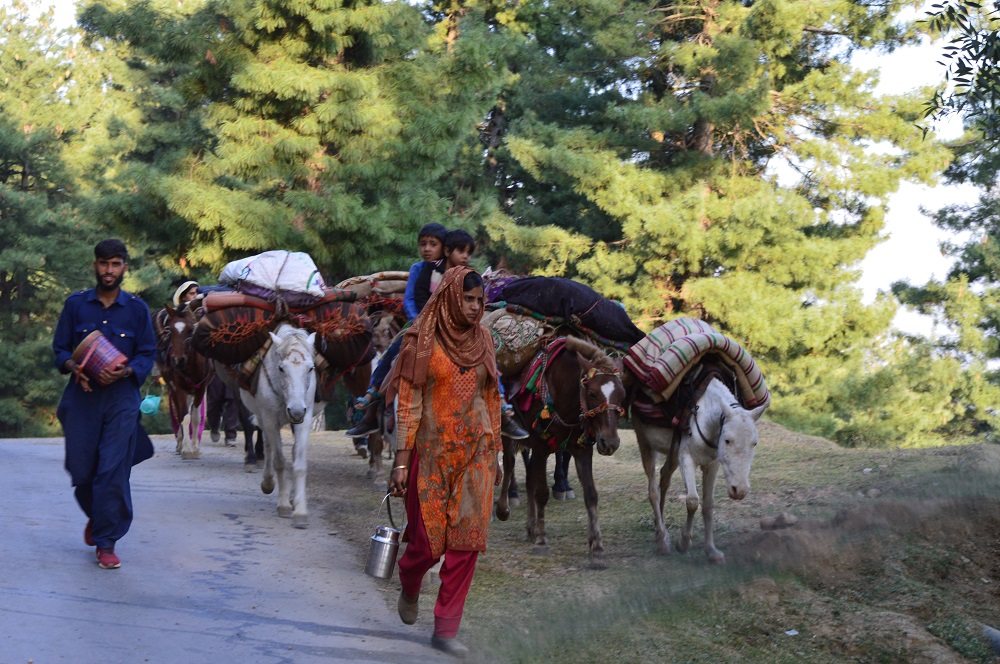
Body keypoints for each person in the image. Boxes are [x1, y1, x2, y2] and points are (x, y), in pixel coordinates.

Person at [388, 266, 501, 658]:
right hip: (430, 454)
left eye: (478, 301)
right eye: (467, 300)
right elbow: (408, 401)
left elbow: (491, 397)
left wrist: (496, 451)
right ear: (453, 296)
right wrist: (401, 463)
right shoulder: (421, 340)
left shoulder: (484, 338)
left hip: (476, 455)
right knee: (427, 545)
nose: (474, 308)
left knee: (466, 545)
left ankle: (445, 629)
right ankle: (409, 577)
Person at [347, 230, 529, 439]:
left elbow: (472, 302)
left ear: (443, 248)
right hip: (421, 326)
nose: (427, 249)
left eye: (433, 244)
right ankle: (372, 406)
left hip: (456, 328)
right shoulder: (420, 270)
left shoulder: (466, 275)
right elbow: (410, 300)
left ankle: (502, 410)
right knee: (394, 353)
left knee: (486, 354)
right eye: (423, 244)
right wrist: (419, 322)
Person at [52, 239, 157, 570]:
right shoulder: (76, 305)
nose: (108, 270)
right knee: (82, 470)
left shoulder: (138, 309)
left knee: (112, 468)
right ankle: (98, 517)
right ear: (94, 265)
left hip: (122, 397)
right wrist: (74, 367)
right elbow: (60, 350)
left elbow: (147, 353)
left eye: (115, 264)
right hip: (82, 396)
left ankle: (107, 541)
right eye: (103, 263)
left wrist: (126, 370)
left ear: (125, 267)